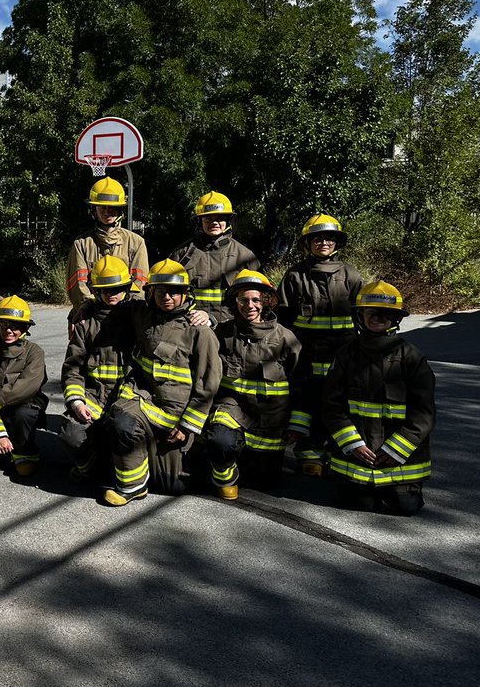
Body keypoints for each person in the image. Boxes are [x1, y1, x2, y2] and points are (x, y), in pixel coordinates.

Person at [103, 260, 222, 505]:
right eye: (160, 291)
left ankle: (153, 460)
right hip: (143, 401)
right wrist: (80, 311)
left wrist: (187, 427)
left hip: (174, 418)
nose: (166, 297)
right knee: (121, 419)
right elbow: (107, 305)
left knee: (171, 486)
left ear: (185, 294)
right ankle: (131, 486)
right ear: (151, 293)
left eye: (174, 292)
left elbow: (208, 384)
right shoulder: (142, 314)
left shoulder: (199, 331)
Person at [322, 281, 435, 516]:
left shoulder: (412, 358)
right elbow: (331, 405)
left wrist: (395, 450)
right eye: (371, 312)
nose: (377, 317)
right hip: (357, 453)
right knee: (356, 503)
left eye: (385, 313)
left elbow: (423, 413)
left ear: (396, 319)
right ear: (360, 315)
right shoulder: (346, 355)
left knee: (405, 507)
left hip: (396, 457)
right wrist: (353, 444)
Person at [276, 214, 365, 476]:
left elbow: (364, 316)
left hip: (342, 356)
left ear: (337, 243)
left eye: (329, 238)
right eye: (317, 239)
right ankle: (308, 453)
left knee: (339, 404)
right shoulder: (295, 276)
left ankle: (338, 451)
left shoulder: (350, 275)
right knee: (306, 403)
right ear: (307, 243)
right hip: (305, 355)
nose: (323, 242)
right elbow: (283, 318)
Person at [202, 270, 304, 499]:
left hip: (270, 420)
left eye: (256, 300)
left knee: (266, 482)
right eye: (243, 300)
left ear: (267, 302)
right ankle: (225, 477)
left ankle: (244, 463)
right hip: (232, 410)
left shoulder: (286, 339)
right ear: (234, 302)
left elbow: (301, 385)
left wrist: (297, 425)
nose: (250, 305)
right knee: (219, 442)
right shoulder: (223, 334)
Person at [59, 256, 138, 483]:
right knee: (71, 435)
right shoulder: (86, 326)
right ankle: (90, 468)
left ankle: (125, 473)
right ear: (95, 291)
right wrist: (77, 402)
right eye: (105, 290)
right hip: (94, 397)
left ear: (126, 287)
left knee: (127, 430)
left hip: (129, 398)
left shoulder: (139, 317)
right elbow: (72, 369)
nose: (111, 294)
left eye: (117, 289)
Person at [0, 296, 48, 478]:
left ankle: (24, 453)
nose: (9, 330)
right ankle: (0, 444)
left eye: (15, 326)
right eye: (4, 324)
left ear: (25, 328)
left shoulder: (34, 352)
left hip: (24, 407)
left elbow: (25, 388)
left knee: (23, 414)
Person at [168, 191, 260, 326]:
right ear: (199, 221)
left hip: (232, 328)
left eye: (220, 218)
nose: (214, 223)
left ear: (228, 221)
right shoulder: (182, 254)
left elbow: (258, 298)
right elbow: (168, 294)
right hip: (192, 326)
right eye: (208, 218)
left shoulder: (245, 256)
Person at [67, 177, 149, 321]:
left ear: (120, 210)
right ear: (94, 210)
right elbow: (78, 287)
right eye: (102, 207)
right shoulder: (81, 244)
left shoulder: (136, 243)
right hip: (91, 315)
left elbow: (139, 285)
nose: (107, 212)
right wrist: (90, 308)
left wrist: (127, 310)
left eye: (112, 207)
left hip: (126, 315)